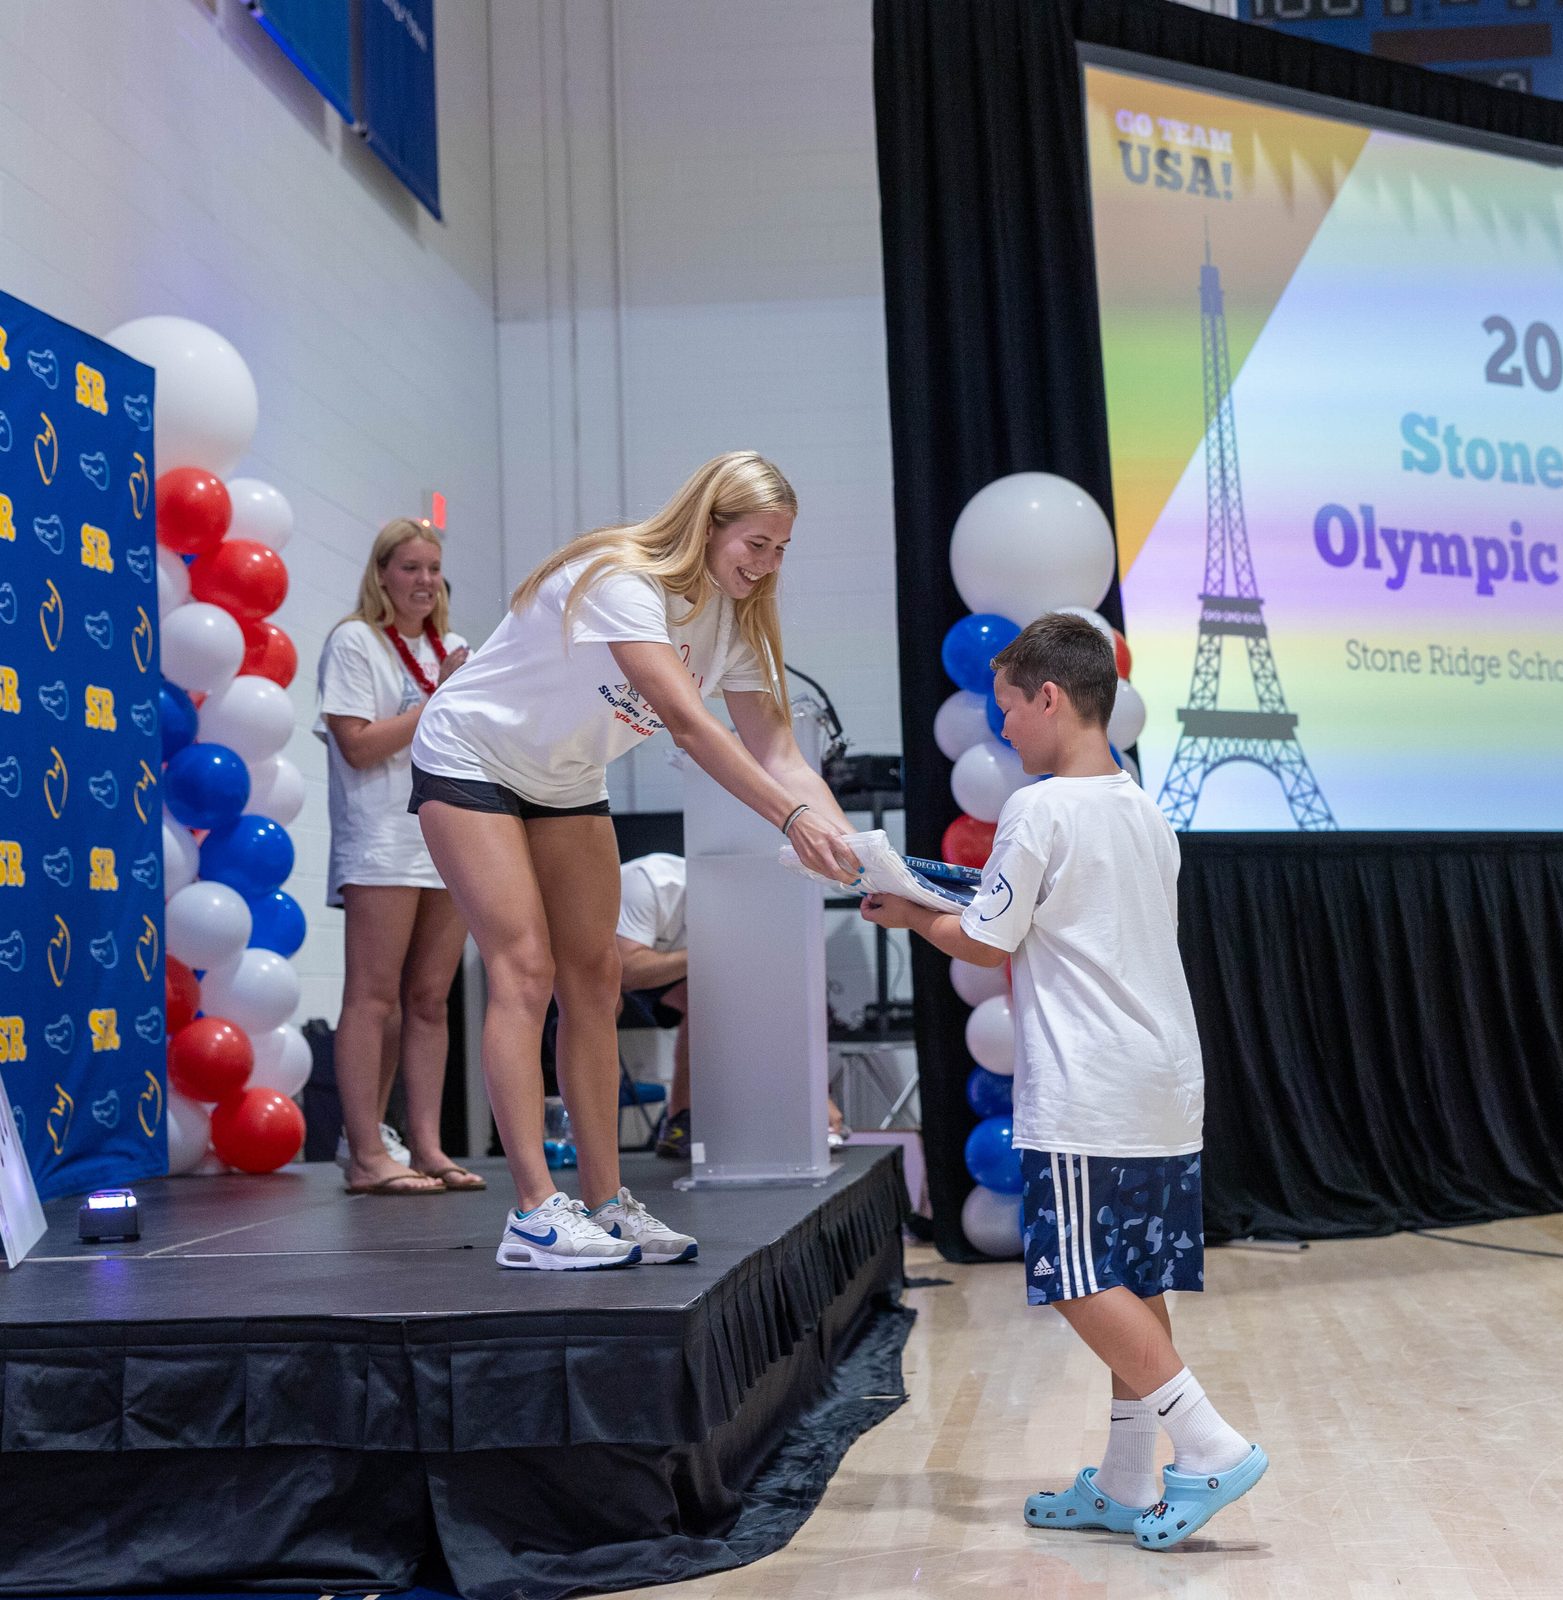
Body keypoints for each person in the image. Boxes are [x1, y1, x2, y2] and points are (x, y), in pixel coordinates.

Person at [861, 613, 1267, 1549]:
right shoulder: (1144, 809)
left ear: (1050, 697)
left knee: (1080, 1278)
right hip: (1165, 1080)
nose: (1001, 728)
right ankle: (1128, 1481)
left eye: (1007, 709)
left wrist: (910, 915)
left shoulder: (1037, 810)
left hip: (1089, 1085)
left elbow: (988, 936)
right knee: (1136, 1274)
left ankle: (1208, 1445)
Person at [410, 451, 861, 1269]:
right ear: (709, 524)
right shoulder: (621, 579)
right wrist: (793, 822)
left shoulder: (737, 621)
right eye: (755, 543)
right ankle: (536, 1212)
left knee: (598, 978)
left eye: (781, 549)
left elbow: (781, 751)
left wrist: (861, 851)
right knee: (524, 968)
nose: (765, 567)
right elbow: (691, 728)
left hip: (566, 777)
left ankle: (608, 1203)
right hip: (470, 754)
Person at [317, 518, 484, 1196]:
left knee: (428, 1000)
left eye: (433, 568)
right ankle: (364, 1153)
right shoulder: (355, 641)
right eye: (410, 567)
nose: (424, 581)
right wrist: (442, 695)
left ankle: (426, 1145)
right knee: (374, 997)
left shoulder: (455, 646)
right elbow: (357, 743)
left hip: (447, 832)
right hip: (381, 836)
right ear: (382, 573)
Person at [610, 852, 849, 1159]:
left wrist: (815, 1094)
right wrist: (717, 947)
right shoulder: (648, 883)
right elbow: (625, 971)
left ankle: (682, 1120)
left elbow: (766, 1014)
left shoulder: (747, 918)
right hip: (603, 957)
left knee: (720, 1003)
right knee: (598, 1009)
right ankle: (584, 1144)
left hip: (668, 955)